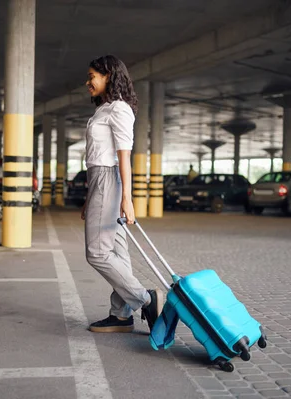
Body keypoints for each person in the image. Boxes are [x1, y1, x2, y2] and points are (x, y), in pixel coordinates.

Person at [81, 55, 163, 333]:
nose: (88, 81)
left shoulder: (119, 109)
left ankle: (145, 299)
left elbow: (122, 156)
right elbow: (97, 155)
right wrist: (89, 196)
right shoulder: (105, 108)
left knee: (97, 253)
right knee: (116, 250)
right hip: (99, 181)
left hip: (108, 180)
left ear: (108, 76)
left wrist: (127, 198)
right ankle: (120, 314)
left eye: (93, 75)